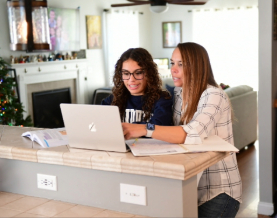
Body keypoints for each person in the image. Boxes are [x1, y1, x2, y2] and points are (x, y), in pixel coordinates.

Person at [122, 42, 242, 217]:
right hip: (190, 184)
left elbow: (192, 133)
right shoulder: (178, 93)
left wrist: (144, 129)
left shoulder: (214, 95)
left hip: (217, 191)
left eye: (181, 64)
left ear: (197, 67)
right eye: (172, 63)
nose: (173, 70)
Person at [102, 48, 173, 127]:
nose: (131, 79)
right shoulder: (113, 99)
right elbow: (99, 122)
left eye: (138, 73)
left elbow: (158, 127)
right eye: (126, 73)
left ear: (149, 73)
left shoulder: (162, 100)